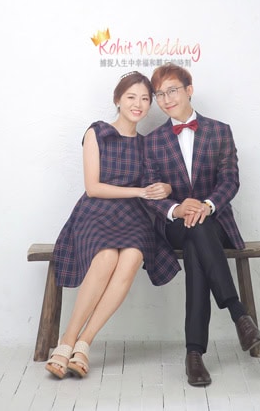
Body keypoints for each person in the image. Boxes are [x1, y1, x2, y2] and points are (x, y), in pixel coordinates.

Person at [46, 71, 180, 379]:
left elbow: (161, 183)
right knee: (106, 256)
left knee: (131, 257)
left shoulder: (148, 144)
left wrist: (167, 188)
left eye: (145, 99)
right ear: (118, 99)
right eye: (131, 97)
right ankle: (67, 341)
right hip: (96, 212)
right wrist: (139, 191)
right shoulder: (98, 132)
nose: (138, 104)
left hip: (134, 217)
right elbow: (93, 187)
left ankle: (84, 344)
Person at [143, 63, 260, 387]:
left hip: (214, 222)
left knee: (199, 235)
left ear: (189, 90)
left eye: (172, 90)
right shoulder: (152, 142)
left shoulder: (220, 131)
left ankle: (194, 354)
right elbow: (150, 193)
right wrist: (176, 208)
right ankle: (239, 314)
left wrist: (207, 206)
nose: (166, 99)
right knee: (194, 229)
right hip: (173, 226)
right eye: (159, 94)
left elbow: (230, 180)